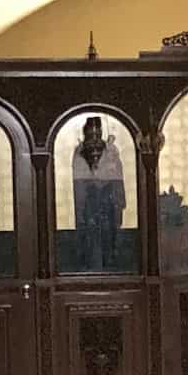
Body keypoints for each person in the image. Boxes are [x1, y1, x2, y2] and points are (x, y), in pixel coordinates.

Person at [70, 115, 128, 271]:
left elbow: (117, 176)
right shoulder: (80, 152)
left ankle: (110, 263)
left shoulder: (111, 150)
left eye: (97, 131)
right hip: (89, 200)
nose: (94, 136)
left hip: (108, 199)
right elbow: (79, 181)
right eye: (91, 132)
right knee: (90, 234)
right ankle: (90, 265)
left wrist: (119, 199)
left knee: (109, 232)